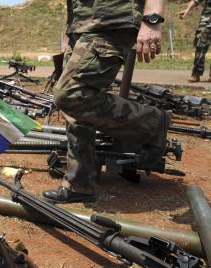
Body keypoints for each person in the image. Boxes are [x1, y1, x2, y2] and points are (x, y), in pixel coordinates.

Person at [42, 0, 170, 204]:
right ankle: (79, 184)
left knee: (72, 95)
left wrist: (152, 19)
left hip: (112, 21)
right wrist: (70, 30)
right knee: (77, 112)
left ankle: (152, 123)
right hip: (82, 25)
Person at [178, 0, 211, 82]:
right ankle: (196, 74)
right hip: (205, 22)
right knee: (200, 46)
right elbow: (196, 1)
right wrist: (187, 10)